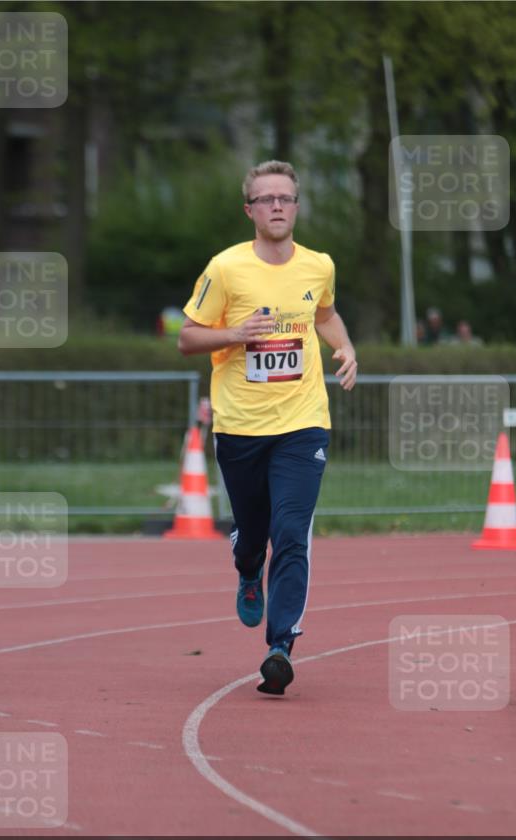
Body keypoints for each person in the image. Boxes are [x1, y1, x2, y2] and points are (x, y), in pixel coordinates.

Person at [178, 160, 357, 696]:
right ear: (250, 210)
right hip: (240, 426)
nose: (277, 206)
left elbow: (324, 314)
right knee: (254, 534)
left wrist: (344, 346)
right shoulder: (226, 269)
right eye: (266, 199)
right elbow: (188, 337)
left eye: (286, 198)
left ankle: (281, 645)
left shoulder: (318, 265)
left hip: (304, 423)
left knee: (292, 533)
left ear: (297, 207)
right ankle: (246, 564)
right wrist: (236, 331)